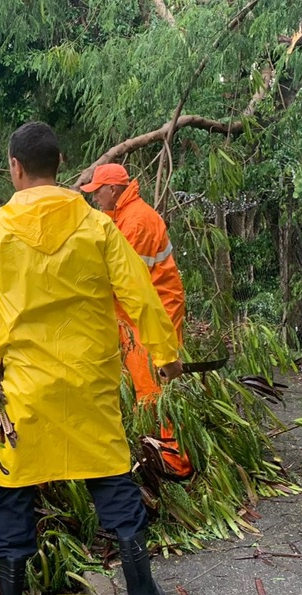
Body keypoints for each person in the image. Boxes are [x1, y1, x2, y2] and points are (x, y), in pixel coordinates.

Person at [0, 122, 183, 595]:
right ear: (61, 165)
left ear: (14, 167)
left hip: (25, 393)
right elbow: (140, 294)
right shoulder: (98, 228)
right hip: (89, 385)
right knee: (114, 482)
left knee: (13, 494)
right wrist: (165, 354)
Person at [81, 164, 192, 480]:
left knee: (152, 390)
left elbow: (126, 281)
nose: (94, 198)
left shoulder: (136, 222)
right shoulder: (123, 215)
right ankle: (152, 446)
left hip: (153, 316)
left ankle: (175, 462)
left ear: (113, 190)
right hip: (140, 315)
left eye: (97, 191)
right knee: (140, 386)